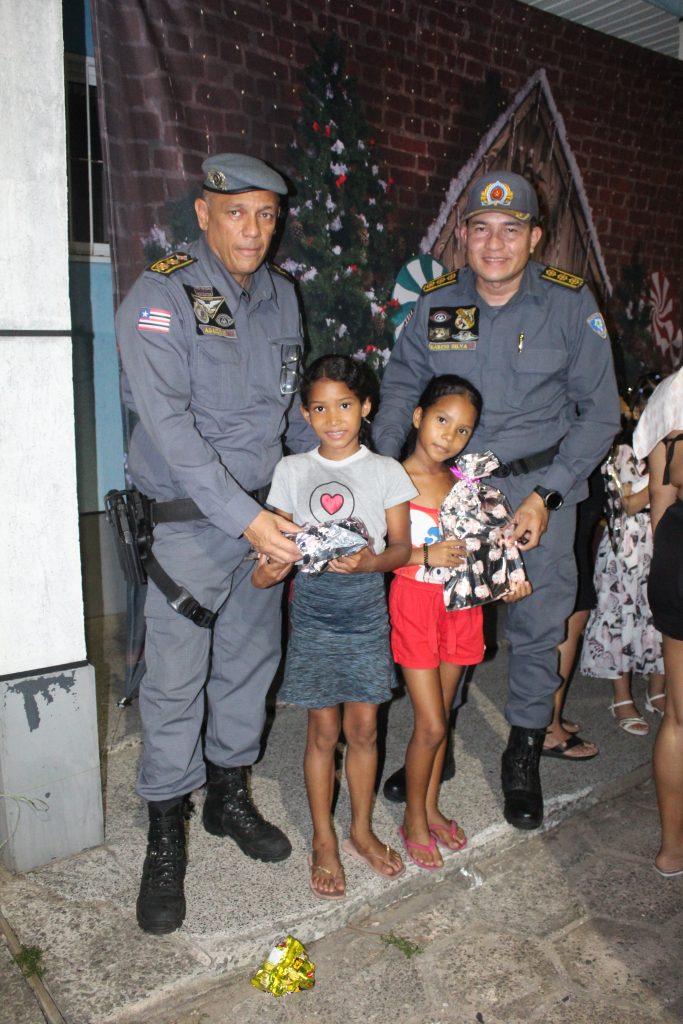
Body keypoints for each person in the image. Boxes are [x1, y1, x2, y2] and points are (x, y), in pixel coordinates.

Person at [373, 169, 620, 829]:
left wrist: (547, 494)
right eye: (480, 228)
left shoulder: (568, 303)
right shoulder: (438, 302)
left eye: (511, 230)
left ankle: (522, 753)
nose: (494, 243)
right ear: (462, 235)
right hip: (449, 489)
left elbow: (599, 415)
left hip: (538, 490)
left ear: (534, 237)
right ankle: (435, 743)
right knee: (443, 619)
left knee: (537, 628)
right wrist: (384, 470)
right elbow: (400, 387)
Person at [116, 153, 313, 934]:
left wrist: (329, 485)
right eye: (237, 213)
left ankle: (227, 797)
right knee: (174, 683)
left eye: (267, 215)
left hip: (264, 519)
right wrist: (247, 518)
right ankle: (166, 829)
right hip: (188, 525)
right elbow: (171, 428)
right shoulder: (161, 296)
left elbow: (288, 415)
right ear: (203, 214)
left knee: (248, 663)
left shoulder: (282, 296)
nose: (254, 230)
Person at [252, 355, 415, 898]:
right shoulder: (292, 470)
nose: (333, 418)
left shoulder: (386, 470)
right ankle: (324, 838)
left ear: (365, 407)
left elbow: (400, 548)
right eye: (319, 408)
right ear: (305, 413)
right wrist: (269, 568)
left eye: (344, 405)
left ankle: (361, 830)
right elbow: (275, 550)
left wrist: (370, 563)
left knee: (364, 730)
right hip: (315, 612)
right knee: (323, 732)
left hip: (366, 611)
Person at [389, 374, 532, 868]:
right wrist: (424, 554)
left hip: (462, 607)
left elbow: (488, 552)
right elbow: (374, 554)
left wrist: (510, 579)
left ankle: (429, 808)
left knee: (444, 716)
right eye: (441, 420)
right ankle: (412, 820)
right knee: (429, 724)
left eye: (462, 430)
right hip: (415, 605)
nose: (449, 436)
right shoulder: (391, 479)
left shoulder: (467, 485)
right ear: (418, 416)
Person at [580, 388, 665, 734]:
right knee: (621, 618)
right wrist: (663, 474)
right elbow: (627, 503)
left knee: (661, 616)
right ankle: (621, 697)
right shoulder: (623, 450)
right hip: (628, 544)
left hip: (665, 537)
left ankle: (657, 690)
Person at [632, 367, 683, 877]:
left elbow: (661, 502)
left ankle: (672, 849)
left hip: (677, 548)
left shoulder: (673, 390)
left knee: (680, 718)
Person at [541, 466, 603, 761]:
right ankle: (546, 726)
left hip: (573, 480)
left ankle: (548, 716)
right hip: (564, 482)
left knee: (575, 607)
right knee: (569, 608)